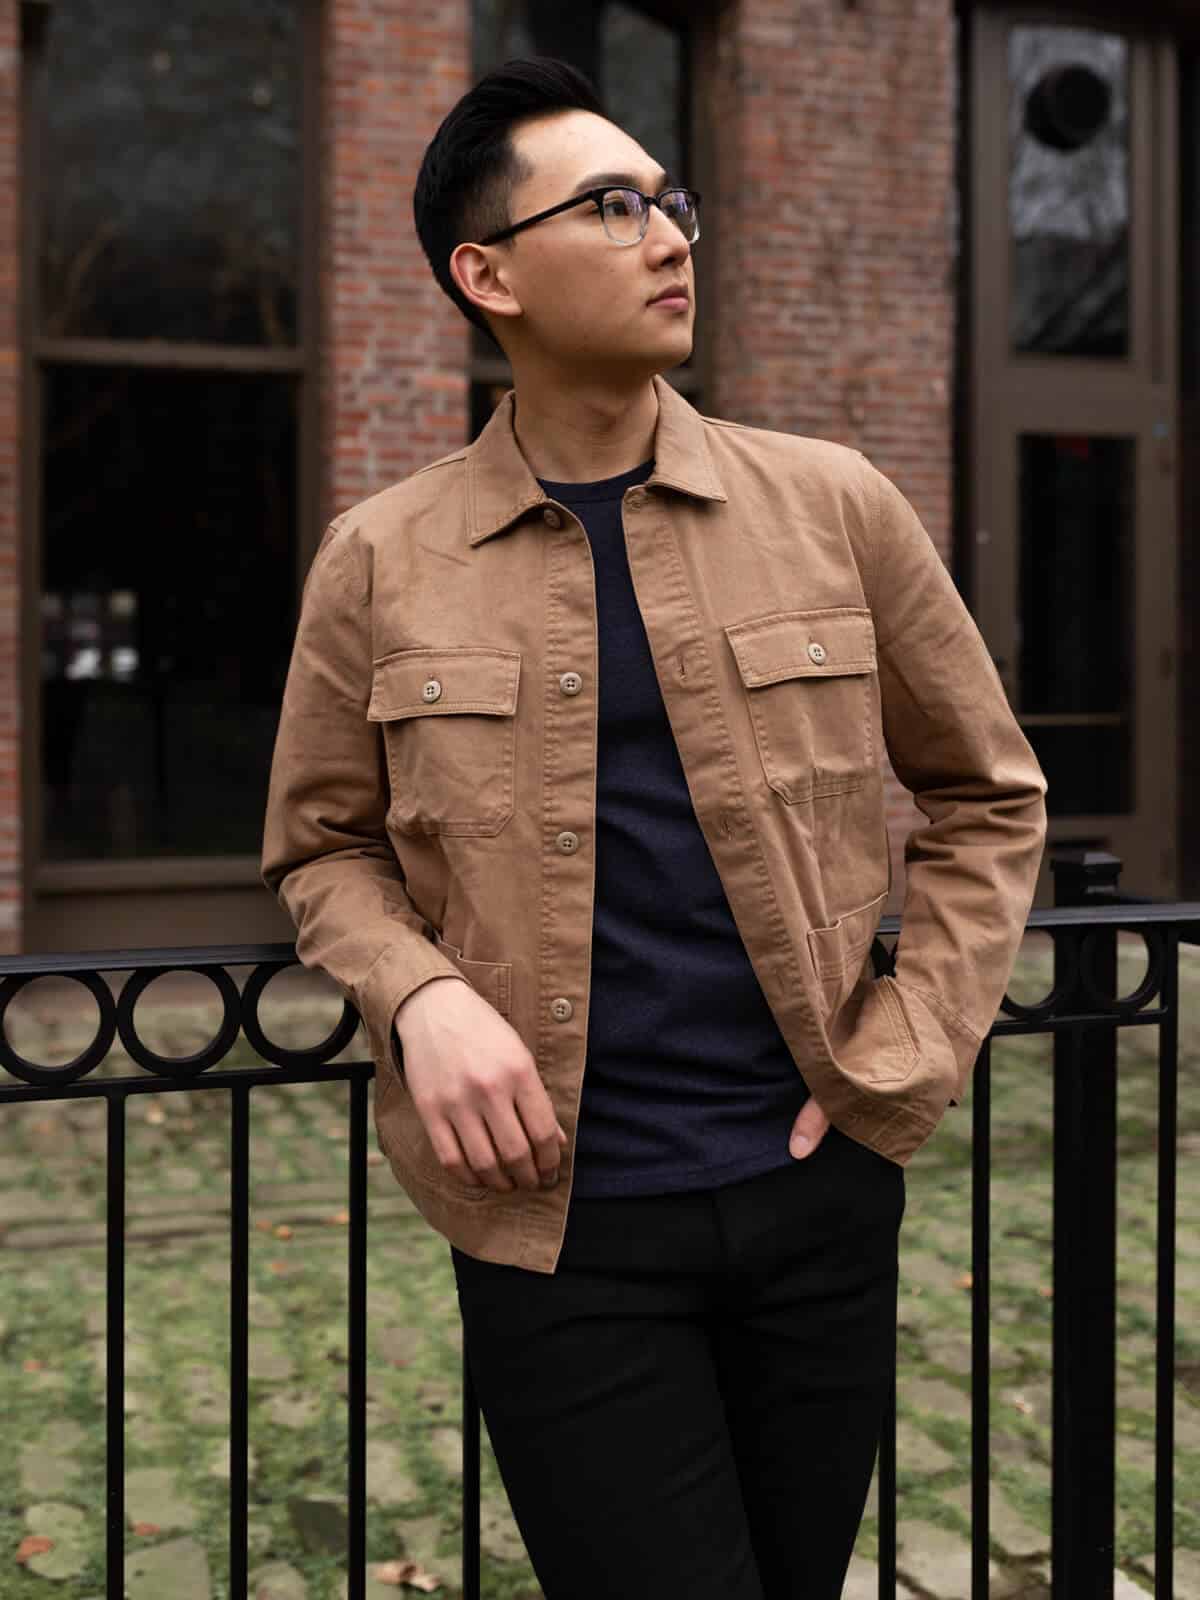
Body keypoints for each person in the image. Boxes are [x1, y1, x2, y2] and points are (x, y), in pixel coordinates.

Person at [261, 54, 1047, 1600]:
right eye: (612, 206)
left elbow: (987, 794)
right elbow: (319, 847)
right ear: (485, 274)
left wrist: (911, 1052)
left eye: (669, 201)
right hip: (557, 1227)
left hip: (813, 1192)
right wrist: (419, 994)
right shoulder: (381, 559)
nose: (672, 235)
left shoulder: (835, 508)